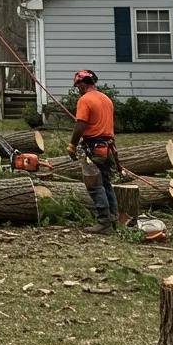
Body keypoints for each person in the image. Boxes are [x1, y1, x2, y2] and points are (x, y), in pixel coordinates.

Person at [67, 68, 119, 234]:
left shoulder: (85, 100)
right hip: (108, 147)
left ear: (82, 84)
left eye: (78, 86)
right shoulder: (106, 99)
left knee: (95, 186)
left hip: (95, 148)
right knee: (105, 183)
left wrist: (72, 145)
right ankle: (113, 218)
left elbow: (81, 124)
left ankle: (103, 222)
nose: (78, 89)